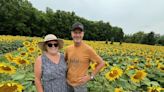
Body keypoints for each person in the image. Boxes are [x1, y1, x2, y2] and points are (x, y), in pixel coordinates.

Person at [65, 22, 105, 92]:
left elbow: (101, 63)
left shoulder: (88, 49)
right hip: (68, 83)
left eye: (79, 33)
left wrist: (90, 76)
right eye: (75, 32)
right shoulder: (68, 49)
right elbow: (64, 62)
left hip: (80, 85)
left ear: (83, 34)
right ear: (71, 33)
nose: (77, 35)